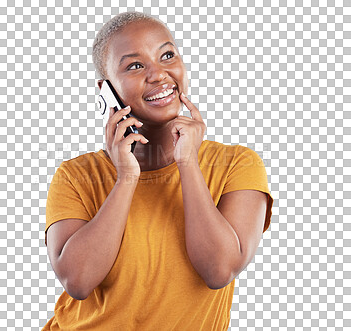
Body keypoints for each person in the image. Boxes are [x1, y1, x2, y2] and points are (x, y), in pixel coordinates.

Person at [43, 11, 273, 331]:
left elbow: (219, 270)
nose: (159, 74)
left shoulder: (237, 164)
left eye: (167, 55)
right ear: (105, 88)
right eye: (135, 65)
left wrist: (188, 162)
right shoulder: (77, 176)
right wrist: (126, 178)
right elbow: (78, 281)